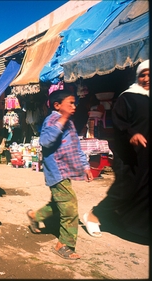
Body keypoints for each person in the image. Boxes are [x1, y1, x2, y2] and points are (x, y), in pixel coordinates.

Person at [83, 60, 149, 240]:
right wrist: (132, 134)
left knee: (144, 192)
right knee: (124, 189)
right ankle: (94, 214)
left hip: (146, 155)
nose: (146, 78)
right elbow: (118, 121)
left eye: (149, 75)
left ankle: (133, 226)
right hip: (129, 153)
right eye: (142, 75)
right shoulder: (128, 97)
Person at [26, 89, 93, 260]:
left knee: (58, 203)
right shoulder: (52, 120)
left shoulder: (69, 123)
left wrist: (85, 166)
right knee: (70, 207)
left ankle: (35, 215)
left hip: (67, 169)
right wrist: (62, 118)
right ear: (57, 106)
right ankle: (64, 244)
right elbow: (45, 141)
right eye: (70, 103)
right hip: (57, 171)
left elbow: (76, 146)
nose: (74, 106)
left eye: (74, 103)